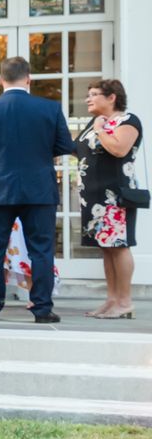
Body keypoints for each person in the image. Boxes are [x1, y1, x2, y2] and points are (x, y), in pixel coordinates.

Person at [0, 55, 76, 322]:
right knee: (41, 250)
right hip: (39, 189)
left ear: (0, 79)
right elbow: (64, 146)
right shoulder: (49, 108)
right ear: (29, 79)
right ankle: (41, 308)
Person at [78, 77, 142, 319]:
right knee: (106, 248)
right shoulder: (93, 122)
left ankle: (125, 301)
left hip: (115, 195)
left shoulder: (127, 120)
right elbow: (76, 150)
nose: (88, 99)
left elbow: (119, 149)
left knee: (119, 246)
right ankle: (112, 300)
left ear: (112, 97)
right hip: (93, 196)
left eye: (94, 94)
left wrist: (99, 130)